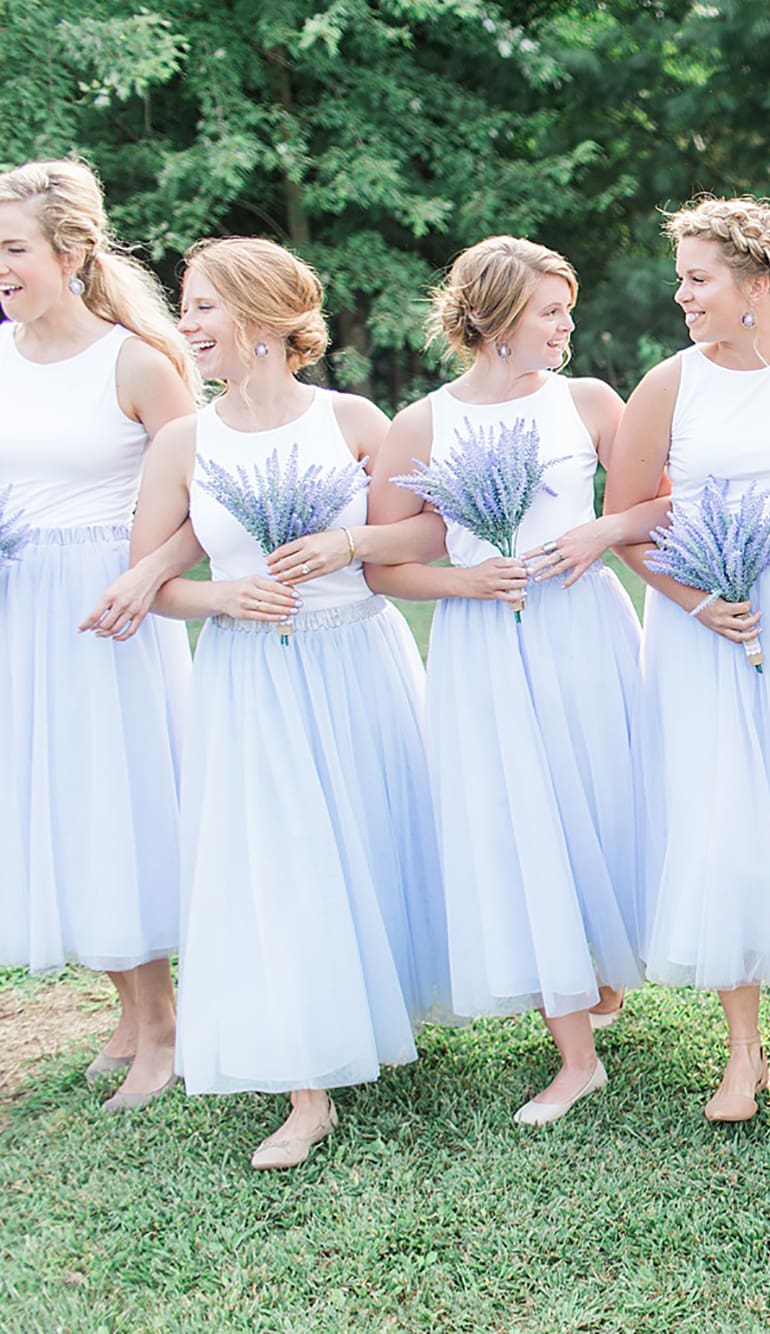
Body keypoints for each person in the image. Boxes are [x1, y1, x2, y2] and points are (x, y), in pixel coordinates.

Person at [133, 237, 448, 1169]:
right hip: (253, 675)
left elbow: (426, 525)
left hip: (356, 655)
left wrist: (348, 543)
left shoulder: (350, 418)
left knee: (369, 840)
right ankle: (307, 1087)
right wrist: (222, 596)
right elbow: (151, 580)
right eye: (185, 308)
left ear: (263, 315)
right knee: (281, 860)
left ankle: (369, 1011)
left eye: (201, 306)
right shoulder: (184, 442)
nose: (186, 325)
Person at [368, 236, 651, 1125]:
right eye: (550, 313)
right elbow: (387, 564)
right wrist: (469, 578)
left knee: (602, 800)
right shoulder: (421, 425)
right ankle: (575, 1056)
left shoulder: (591, 401)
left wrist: (603, 532)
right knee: (519, 815)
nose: (568, 327)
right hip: (486, 641)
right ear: (492, 321)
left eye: (568, 308)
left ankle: (600, 970)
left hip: (584, 625)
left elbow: (662, 500)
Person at [604, 199, 770, 1123]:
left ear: (758, 284)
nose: (683, 295)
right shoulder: (668, 385)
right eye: (683, 278)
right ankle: (742, 1049)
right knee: (728, 819)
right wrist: (700, 603)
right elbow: (631, 524)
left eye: (698, 278)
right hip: (704, 621)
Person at [0, 159, 198, 1112]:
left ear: (71, 254)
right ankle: (126, 1011)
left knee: (120, 798)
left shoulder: (136, 362)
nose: (1, 265)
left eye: (13, 248)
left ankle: (164, 1024)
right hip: (24, 605)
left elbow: (216, 491)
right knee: (65, 800)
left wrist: (148, 570)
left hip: (113, 602)